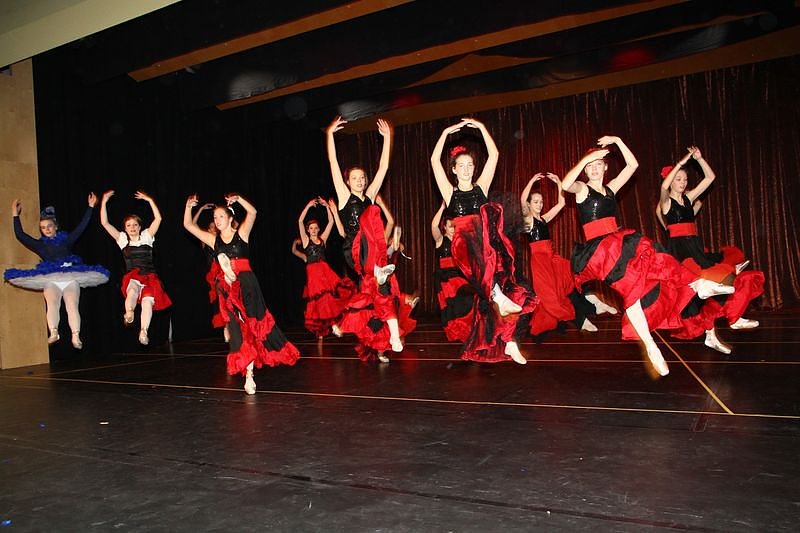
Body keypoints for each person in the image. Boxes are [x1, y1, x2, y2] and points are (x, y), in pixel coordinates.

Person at [561, 136, 734, 376]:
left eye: (598, 164)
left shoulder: (611, 188)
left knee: (656, 264)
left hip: (619, 243)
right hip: (600, 252)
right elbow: (566, 184)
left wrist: (618, 141)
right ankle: (654, 344)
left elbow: (632, 166)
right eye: (590, 166)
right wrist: (586, 159)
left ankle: (697, 287)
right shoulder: (582, 190)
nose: (594, 169)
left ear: (606, 167)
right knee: (633, 286)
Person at [430, 117, 536, 364]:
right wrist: (445, 133)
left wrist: (481, 128)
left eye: (470, 165)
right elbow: (434, 161)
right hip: (464, 244)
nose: (467, 169)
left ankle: (509, 341)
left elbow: (495, 154)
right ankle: (499, 299)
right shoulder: (450, 193)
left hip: (487, 241)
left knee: (505, 285)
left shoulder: (481, 188)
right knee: (491, 282)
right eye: (462, 165)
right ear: (454, 170)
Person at [183, 193, 299, 394]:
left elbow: (253, 212)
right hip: (228, 288)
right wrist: (188, 207)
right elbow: (188, 226)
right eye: (215, 218)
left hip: (246, 285)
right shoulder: (213, 240)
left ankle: (228, 268)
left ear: (230, 218)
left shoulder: (242, 234)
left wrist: (239, 200)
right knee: (238, 330)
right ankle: (249, 375)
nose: (217, 221)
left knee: (254, 326)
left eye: (221, 217)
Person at [658, 146, 764, 353]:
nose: (683, 183)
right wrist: (681, 163)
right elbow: (663, 188)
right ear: (671, 180)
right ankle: (715, 327)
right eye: (678, 179)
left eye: (684, 179)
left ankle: (728, 319)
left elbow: (710, 177)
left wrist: (699, 159)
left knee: (711, 286)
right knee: (695, 290)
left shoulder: (688, 200)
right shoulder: (665, 203)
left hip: (694, 246)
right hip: (680, 250)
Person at [326, 115, 409, 362]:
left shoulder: (370, 196)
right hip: (354, 250)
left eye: (363, 178)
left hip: (374, 254)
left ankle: (394, 336)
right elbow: (332, 161)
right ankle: (378, 270)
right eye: (355, 178)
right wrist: (330, 135)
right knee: (371, 217)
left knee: (383, 292)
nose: (361, 181)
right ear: (348, 181)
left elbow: (383, 168)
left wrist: (388, 139)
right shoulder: (343, 196)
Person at [5, 194, 109, 349]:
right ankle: (54, 332)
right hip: (51, 280)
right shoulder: (40, 245)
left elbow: (81, 228)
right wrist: (15, 214)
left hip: (69, 277)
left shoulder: (66, 240)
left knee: (71, 305)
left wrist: (91, 207)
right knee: (52, 304)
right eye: (43, 228)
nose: (46, 229)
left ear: (56, 227)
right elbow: (21, 235)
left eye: (49, 226)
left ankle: (75, 335)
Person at [520, 173, 616, 337]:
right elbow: (522, 200)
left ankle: (591, 303)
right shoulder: (528, 220)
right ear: (529, 205)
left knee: (571, 278)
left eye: (541, 202)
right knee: (552, 297)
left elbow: (561, 203)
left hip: (552, 257)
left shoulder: (543, 219)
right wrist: (530, 181)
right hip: (540, 261)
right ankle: (583, 319)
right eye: (535, 202)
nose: (540, 204)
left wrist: (559, 182)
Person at [100, 190, 172, 346]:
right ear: (125, 228)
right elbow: (105, 223)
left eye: (135, 225)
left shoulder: (147, 236)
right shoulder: (122, 239)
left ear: (139, 227)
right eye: (128, 225)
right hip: (133, 275)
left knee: (148, 302)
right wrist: (104, 202)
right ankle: (130, 312)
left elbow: (158, 218)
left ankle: (143, 331)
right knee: (132, 289)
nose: (132, 227)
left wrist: (149, 200)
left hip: (150, 276)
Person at [297, 197, 356, 338]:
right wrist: (307, 206)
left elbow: (330, 222)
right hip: (313, 273)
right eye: (311, 228)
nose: (314, 230)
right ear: (307, 230)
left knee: (329, 299)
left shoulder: (322, 239)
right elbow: (299, 221)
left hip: (325, 272)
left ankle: (334, 324)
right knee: (320, 301)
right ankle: (327, 327)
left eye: (316, 228)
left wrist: (327, 207)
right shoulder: (305, 241)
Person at [431, 201, 474, 342]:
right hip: (445, 278)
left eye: (455, 226)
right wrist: (442, 207)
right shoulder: (440, 240)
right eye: (450, 226)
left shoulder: (461, 241)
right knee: (452, 308)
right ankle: (459, 331)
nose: (453, 229)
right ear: (444, 227)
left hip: (459, 275)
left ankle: (467, 330)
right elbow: (433, 226)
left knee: (468, 299)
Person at [191, 202, 227, 339]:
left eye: (215, 227)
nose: (213, 229)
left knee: (227, 298)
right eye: (211, 227)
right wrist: (200, 209)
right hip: (213, 274)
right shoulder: (205, 241)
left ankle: (229, 325)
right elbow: (192, 225)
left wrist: (226, 210)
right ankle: (226, 325)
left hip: (224, 271)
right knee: (218, 299)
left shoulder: (222, 239)